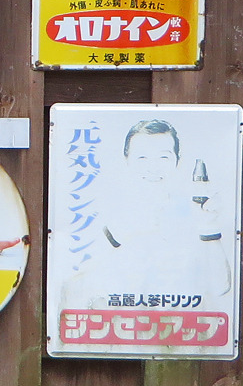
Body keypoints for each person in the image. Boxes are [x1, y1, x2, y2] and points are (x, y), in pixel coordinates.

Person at [59, 119, 231, 304]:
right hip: (116, 325)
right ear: (126, 159)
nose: (153, 167)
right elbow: (71, 281)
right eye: (142, 157)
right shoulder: (98, 212)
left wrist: (208, 226)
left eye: (163, 157)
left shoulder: (196, 212)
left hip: (174, 325)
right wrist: (116, 235)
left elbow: (219, 287)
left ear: (177, 161)